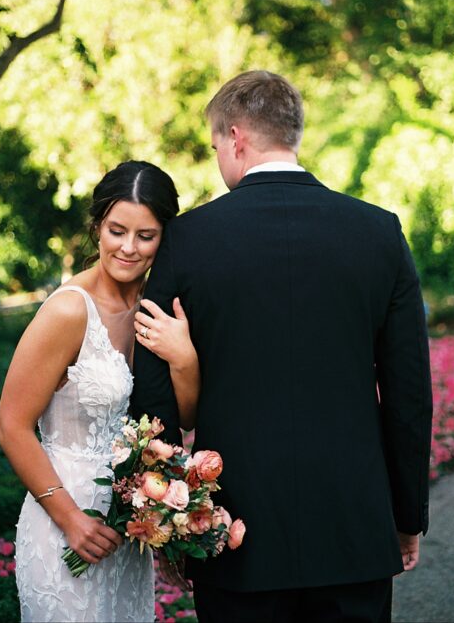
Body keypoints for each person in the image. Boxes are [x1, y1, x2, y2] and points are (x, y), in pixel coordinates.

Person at [131, 70, 432, 622]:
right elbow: (409, 390)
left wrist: (172, 519)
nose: (219, 157)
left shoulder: (188, 239)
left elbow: (151, 388)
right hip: (353, 530)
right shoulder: (378, 232)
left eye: (217, 144)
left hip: (233, 534)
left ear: (237, 138)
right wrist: (407, 517)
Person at [0, 161, 199, 622]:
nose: (128, 248)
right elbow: (12, 425)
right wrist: (71, 520)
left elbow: (182, 419)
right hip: (64, 524)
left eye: (145, 235)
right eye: (116, 231)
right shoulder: (69, 311)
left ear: (165, 236)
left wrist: (184, 358)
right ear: (97, 227)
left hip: (129, 531)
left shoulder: (158, 310)